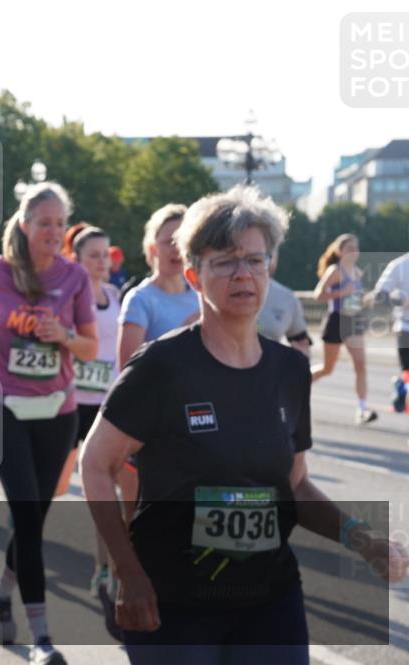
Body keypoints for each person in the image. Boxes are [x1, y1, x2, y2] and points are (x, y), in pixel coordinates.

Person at [80, 185, 408, 664]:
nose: (243, 274)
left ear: (270, 268)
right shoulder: (161, 367)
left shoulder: (290, 370)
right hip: (174, 602)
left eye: (255, 260)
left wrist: (364, 541)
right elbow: (95, 464)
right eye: (225, 262)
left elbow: (294, 485)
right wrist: (126, 572)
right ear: (194, 275)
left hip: (269, 598)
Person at [0, 182, 98, 665]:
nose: (54, 231)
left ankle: (1, 591)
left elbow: (89, 348)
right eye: (45, 222)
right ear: (24, 225)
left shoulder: (75, 276)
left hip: (57, 413)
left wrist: (62, 334)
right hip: (4, 409)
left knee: (33, 518)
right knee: (26, 514)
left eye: (60, 223)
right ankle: (42, 638)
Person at [52, 227, 135, 605]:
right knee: (50, 489)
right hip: (70, 403)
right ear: (76, 258)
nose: (102, 262)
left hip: (107, 404)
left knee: (111, 490)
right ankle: (22, 543)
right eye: (94, 255)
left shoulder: (116, 297)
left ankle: (105, 567)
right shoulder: (67, 297)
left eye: (105, 255)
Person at [118, 204, 199, 368]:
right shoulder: (139, 299)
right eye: (170, 242)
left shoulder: (201, 295)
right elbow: (127, 369)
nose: (177, 249)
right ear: (153, 248)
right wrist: (183, 332)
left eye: (182, 241)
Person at [310, 233, 377, 424]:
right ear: (339, 252)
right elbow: (318, 295)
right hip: (336, 320)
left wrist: (366, 300)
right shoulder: (335, 270)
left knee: (360, 364)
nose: (354, 251)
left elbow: (356, 298)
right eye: (349, 248)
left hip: (353, 321)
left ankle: (362, 409)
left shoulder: (358, 272)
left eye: (356, 248)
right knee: (327, 368)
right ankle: (298, 383)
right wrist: (341, 292)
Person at [366, 251, 409, 411]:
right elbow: (379, 295)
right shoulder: (400, 265)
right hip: (406, 327)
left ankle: (401, 387)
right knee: (408, 371)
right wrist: (402, 300)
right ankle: (402, 388)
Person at [257, 251, 311, 357]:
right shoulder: (222, 293)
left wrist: (296, 359)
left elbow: (302, 345)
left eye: (269, 253)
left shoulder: (287, 297)